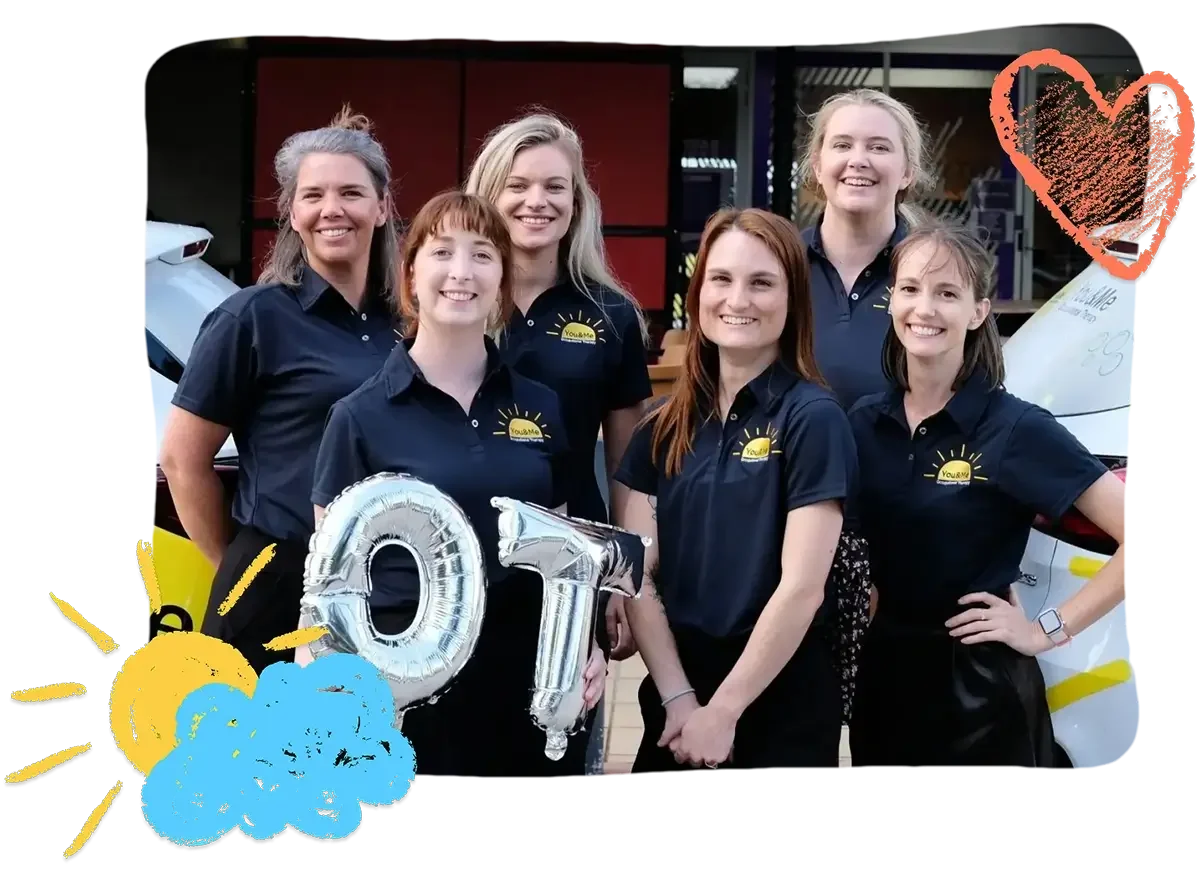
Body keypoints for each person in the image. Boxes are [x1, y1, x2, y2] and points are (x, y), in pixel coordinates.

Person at [305, 190, 607, 787]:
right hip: (404, 692)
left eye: (482, 255)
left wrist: (585, 644)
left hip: (530, 677)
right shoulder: (359, 417)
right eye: (442, 252)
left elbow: (567, 551)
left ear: (502, 281)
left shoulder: (541, 406)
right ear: (411, 275)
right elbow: (327, 584)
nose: (461, 273)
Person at [846, 223, 1129, 775]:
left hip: (979, 694)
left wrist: (1045, 629)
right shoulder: (863, 423)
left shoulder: (1016, 428)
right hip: (885, 683)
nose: (923, 308)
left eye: (946, 293)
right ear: (891, 300)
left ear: (978, 312)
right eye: (909, 289)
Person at [613, 208, 857, 775]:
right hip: (677, 696)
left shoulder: (814, 419)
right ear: (698, 293)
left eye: (762, 282)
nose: (738, 299)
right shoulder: (663, 426)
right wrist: (678, 699)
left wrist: (723, 712)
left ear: (793, 299)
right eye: (721, 279)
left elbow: (802, 589)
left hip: (779, 701)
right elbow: (635, 572)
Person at [160, 107, 401, 674]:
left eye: (351, 192)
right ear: (292, 213)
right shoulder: (252, 317)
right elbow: (180, 459)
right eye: (313, 195)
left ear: (382, 207)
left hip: (384, 585)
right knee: (258, 759)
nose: (332, 210)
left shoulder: (409, 324)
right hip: (274, 580)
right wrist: (242, 564)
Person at [465, 111, 654, 776]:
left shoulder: (611, 316)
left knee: (558, 755)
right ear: (488, 194)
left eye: (556, 187)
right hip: (456, 566)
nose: (535, 202)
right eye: (516, 185)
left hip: (567, 575)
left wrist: (625, 588)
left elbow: (631, 468)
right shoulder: (447, 298)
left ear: (578, 203)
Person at [796, 88, 935, 411]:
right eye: (842, 145)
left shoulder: (939, 271)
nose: (858, 160)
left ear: (907, 172)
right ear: (817, 165)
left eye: (879, 147)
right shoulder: (780, 264)